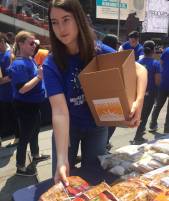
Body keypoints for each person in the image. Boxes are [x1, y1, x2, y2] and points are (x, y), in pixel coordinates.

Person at [43, 0, 147, 185]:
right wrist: (61, 158)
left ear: (79, 19)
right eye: (54, 22)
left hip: (97, 127)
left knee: (94, 178)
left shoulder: (97, 50)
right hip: (68, 129)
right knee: (62, 178)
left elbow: (140, 70)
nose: (61, 28)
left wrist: (138, 102)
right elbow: (59, 112)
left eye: (66, 19)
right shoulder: (52, 63)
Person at [8, 31, 50, 176]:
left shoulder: (29, 59)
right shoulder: (19, 64)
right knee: (25, 136)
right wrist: (39, 77)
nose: (34, 46)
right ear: (20, 44)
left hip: (34, 105)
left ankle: (36, 154)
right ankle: (20, 167)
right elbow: (23, 89)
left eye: (35, 43)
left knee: (35, 130)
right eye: (31, 43)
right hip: (25, 106)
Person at [131, 40, 160, 144]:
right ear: (153, 50)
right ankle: (138, 137)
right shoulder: (155, 64)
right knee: (144, 115)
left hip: (138, 93)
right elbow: (157, 81)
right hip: (150, 94)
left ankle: (140, 132)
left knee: (139, 113)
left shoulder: (137, 63)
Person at [0, 32, 19, 147]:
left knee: (13, 116)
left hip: (10, 92)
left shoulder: (10, 54)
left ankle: (18, 137)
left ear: (3, 42)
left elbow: (13, 75)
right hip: (3, 93)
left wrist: (3, 80)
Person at [149, 45, 169, 133]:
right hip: (164, 82)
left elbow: (160, 62)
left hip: (163, 82)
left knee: (158, 105)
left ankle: (152, 124)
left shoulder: (167, 50)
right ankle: (167, 129)